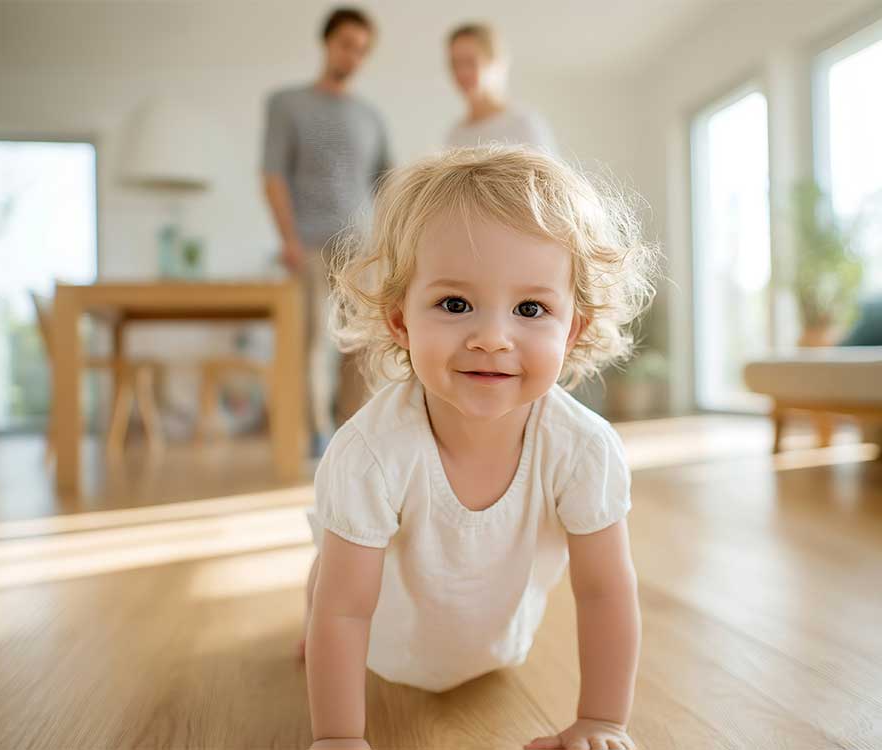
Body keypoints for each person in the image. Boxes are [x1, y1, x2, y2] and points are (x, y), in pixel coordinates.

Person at [302, 146, 660, 750]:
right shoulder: (369, 451)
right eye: (455, 304)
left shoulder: (583, 449)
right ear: (400, 321)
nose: (492, 338)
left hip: (497, 649)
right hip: (383, 649)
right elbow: (345, 611)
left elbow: (604, 591)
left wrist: (603, 720)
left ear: (571, 329)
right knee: (330, 583)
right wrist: (338, 737)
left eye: (530, 308)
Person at [262, 6, 392, 455]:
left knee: (361, 344)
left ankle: (351, 432)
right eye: (346, 45)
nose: (352, 56)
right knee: (309, 344)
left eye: (361, 50)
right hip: (310, 246)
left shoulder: (371, 117)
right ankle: (314, 434)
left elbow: (387, 185)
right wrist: (289, 241)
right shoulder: (287, 104)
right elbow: (273, 174)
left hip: (361, 250)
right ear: (327, 43)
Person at [446, 23, 558, 154]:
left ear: (496, 62)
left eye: (470, 62)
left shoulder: (524, 125)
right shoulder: (455, 135)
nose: (461, 72)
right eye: (455, 63)